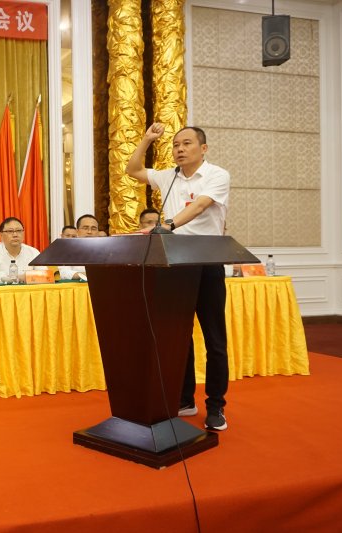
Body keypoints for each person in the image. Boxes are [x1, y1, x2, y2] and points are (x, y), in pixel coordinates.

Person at [126, 122, 230, 432]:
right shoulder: (167, 176)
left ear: (203, 148)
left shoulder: (217, 175)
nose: (179, 149)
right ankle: (185, 399)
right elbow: (133, 170)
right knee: (178, 337)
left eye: (186, 144)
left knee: (214, 339)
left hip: (207, 260)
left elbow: (200, 205)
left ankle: (216, 407)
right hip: (175, 263)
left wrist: (168, 225)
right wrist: (147, 139)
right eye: (175, 145)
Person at [0, 217, 45, 283]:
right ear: (1, 235)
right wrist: (25, 277)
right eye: (10, 231)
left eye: (18, 231)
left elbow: (44, 274)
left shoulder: (33, 252)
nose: (15, 235)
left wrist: (19, 278)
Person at [58, 214, 100, 281]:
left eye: (93, 229)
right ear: (77, 231)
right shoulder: (66, 250)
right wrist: (87, 274)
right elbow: (63, 273)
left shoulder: (106, 251)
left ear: (98, 232)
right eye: (85, 228)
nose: (89, 232)